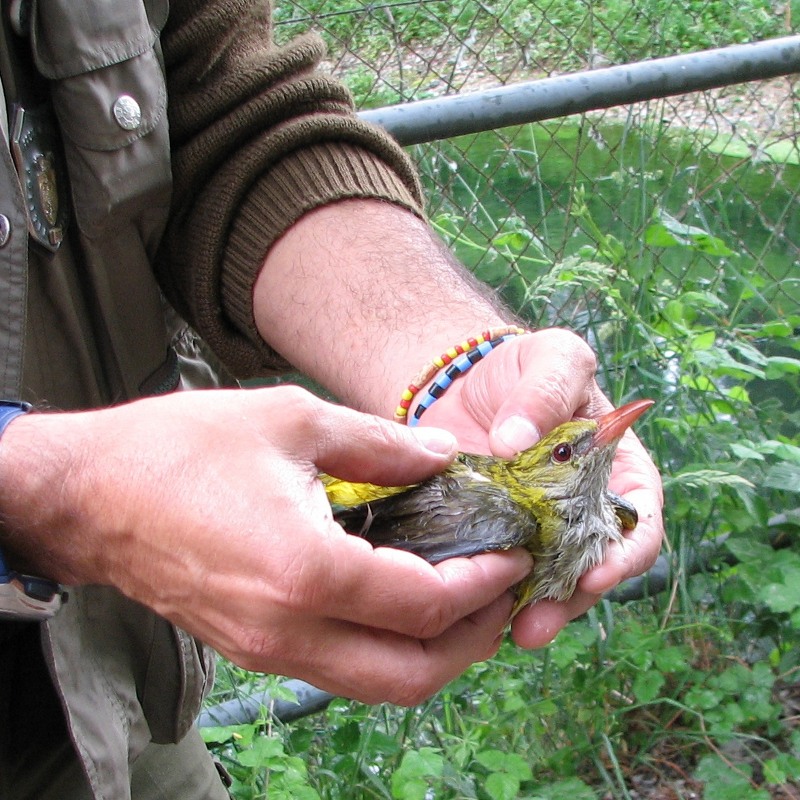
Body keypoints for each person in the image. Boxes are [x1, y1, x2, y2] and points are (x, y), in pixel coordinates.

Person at [0, 1, 664, 798]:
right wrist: (62, 493)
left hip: (118, 695)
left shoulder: (578, 518)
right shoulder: (515, 514)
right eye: (566, 448)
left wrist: (455, 364)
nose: (591, 437)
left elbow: (226, 109)